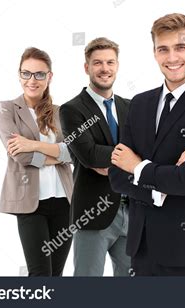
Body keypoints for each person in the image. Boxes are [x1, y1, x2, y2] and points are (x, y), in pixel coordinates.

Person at [108, 13, 185, 276]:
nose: (172, 58)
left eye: (181, 47)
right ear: (154, 53)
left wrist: (138, 167)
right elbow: (118, 176)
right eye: (163, 49)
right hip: (142, 250)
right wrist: (160, 189)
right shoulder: (139, 104)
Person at [0, 47, 73, 276]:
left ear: (49, 77)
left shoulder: (61, 112)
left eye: (40, 74)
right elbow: (19, 155)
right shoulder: (7, 108)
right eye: (26, 73)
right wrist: (57, 155)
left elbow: (75, 153)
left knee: (56, 275)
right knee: (40, 275)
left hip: (65, 202)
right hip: (31, 204)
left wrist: (34, 144)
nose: (33, 80)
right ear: (19, 75)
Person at [59, 37, 131, 276]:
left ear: (118, 65)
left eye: (110, 62)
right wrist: (129, 160)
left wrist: (115, 162)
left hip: (132, 211)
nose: (105, 68)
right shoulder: (72, 109)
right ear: (86, 67)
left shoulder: (130, 107)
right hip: (93, 212)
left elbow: (147, 152)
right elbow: (89, 154)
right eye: (98, 62)